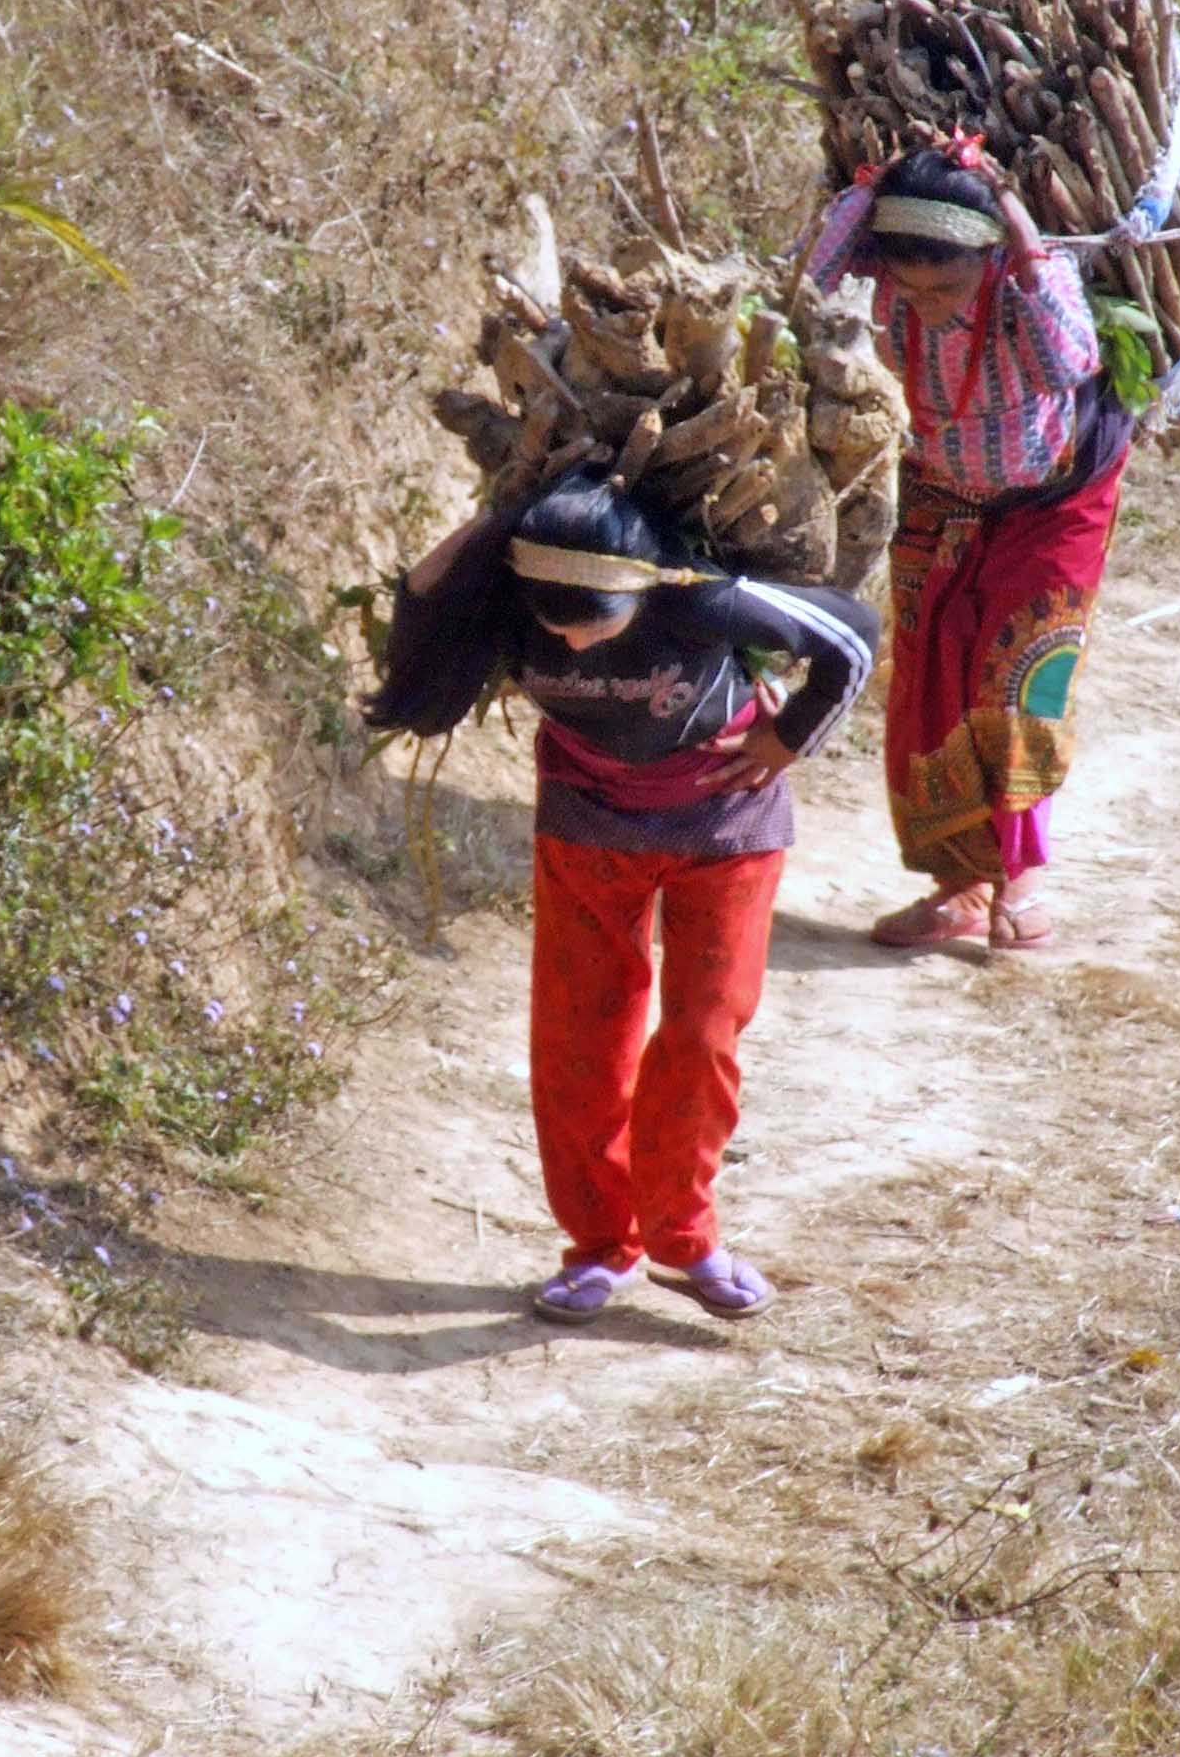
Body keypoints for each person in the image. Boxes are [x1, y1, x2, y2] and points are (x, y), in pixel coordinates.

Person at [365, 468, 878, 1325]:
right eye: (552, 627)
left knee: (703, 1032)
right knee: (579, 1037)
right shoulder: (509, 599)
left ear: (644, 592)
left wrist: (788, 741)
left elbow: (854, 636)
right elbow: (420, 600)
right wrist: (501, 523)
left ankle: (687, 1241)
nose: (568, 646)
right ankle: (602, 1247)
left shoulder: (700, 601)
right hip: (587, 825)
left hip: (726, 827)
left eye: (591, 627)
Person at [804, 140, 1133, 952]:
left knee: (1021, 678)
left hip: (1055, 496)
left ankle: (1019, 884)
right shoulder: (888, 293)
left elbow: (1075, 360)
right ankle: (957, 887)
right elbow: (813, 279)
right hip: (939, 493)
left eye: (946, 285)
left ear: (988, 260)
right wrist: (874, 188)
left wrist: (1018, 226)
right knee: (927, 684)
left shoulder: (1026, 288)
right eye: (907, 287)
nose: (926, 304)